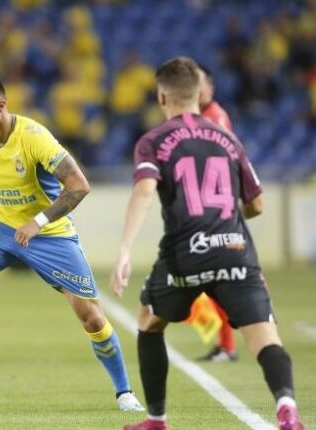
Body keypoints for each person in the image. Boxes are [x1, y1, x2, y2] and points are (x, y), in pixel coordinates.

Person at [111, 57, 303, 430]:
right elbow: (257, 204)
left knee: (150, 322)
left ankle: (156, 419)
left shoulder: (154, 141)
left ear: (162, 96)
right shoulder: (228, 138)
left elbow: (145, 191)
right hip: (235, 250)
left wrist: (124, 249)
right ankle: (287, 407)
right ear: (200, 93)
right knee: (264, 337)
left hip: (186, 253)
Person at [0, 70, 144, 411]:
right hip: (4, 229)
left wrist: (38, 222)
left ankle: (124, 392)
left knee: (91, 317)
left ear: (1, 106)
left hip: (50, 236)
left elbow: (79, 185)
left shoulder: (35, 137)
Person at [191, 65, 239, 363]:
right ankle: (225, 343)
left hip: (215, 211)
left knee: (216, 278)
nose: (197, 91)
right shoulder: (201, 118)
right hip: (207, 210)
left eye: (201, 85)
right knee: (210, 280)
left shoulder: (214, 118)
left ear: (210, 88)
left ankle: (228, 344)